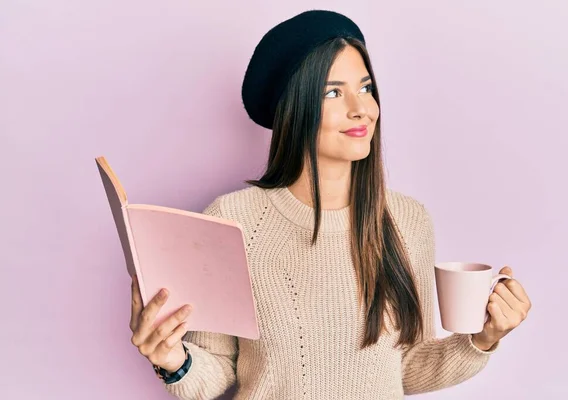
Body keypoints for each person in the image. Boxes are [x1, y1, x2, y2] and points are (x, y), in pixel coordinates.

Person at [129, 9, 532, 399]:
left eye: (366, 87)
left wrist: (483, 338)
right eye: (334, 92)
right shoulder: (233, 219)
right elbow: (217, 373)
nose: (361, 108)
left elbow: (408, 366)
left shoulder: (408, 220)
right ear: (295, 108)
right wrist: (173, 359)